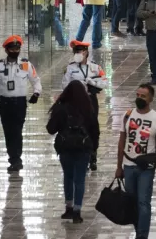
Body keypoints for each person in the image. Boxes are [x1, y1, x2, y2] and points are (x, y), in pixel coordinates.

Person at [115, 84, 156, 239]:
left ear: (151, 98)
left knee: (143, 202)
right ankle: (138, 231)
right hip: (128, 166)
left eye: (143, 96)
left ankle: (142, 236)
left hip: (146, 168)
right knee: (133, 203)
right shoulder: (128, 115)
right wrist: (118, 166)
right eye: (137, 95)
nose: (139, 98)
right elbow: (121, 142)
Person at [46, 80, 98, 223]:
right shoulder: (88, 107)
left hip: (65, 148)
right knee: (80, 179)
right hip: (83, 148)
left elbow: (50, 129)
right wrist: (94, 148)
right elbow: (95, 130)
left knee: (68, 177)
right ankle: (77, 211)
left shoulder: (61, 108)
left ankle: (68, 208)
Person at [0, 36, 42, 172]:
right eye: (12, 49)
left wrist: (36, 93)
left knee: (17, 131)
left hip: (19, 103)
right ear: (6, 50)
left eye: (17, 49)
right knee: (8, 132)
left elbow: (35, 80)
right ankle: (13, 158)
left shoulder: (25, 65)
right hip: (5, 103)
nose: (14, 51)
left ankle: (16, 159)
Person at [61, 40, 107, 170]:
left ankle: (93, 156)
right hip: (76, 101)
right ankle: (83, 156)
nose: (78, 54)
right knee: (80, 127)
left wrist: (92, 82)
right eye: (76, 51)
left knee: (92, 127)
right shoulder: (70, 68)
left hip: (91, 100)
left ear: (86, 52)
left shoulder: (95, 67)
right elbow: (64, 85)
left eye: (80, 51)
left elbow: (104, 82)